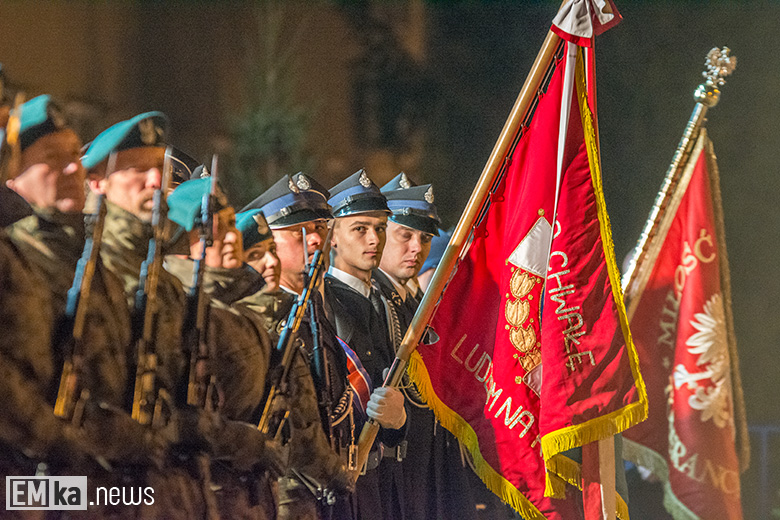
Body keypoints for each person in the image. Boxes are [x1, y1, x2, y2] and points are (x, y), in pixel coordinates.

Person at [5, 96, 164, 518]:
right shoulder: (17, 255)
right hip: (36, 479)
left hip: (106, 481)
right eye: (52, 158)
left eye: (75, 154)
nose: (74, 167)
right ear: (12, 173)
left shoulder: (98, 266)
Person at [83, 111, 220, 519]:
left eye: (158, 170)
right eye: (138, 170)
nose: (156, 182)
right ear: (97, 183)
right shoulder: (76, 265)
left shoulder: (169, 284)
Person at [239, 172, 354, 520]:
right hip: (282, 484)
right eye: (297, 234)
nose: (315, 240)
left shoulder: (317, 307)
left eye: (319, 229)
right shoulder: (257, 315)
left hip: (325, 479)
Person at [377, 172, 479, 520]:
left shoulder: (411, 305)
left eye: (423, 237)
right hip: (395, 475)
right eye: (404, 236)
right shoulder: (376, 303)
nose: (417, 248)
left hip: (430, 470)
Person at [324, 168, 408, 520]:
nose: (373, 239)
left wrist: (399, 420)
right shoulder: (325, 301)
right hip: (344, 478)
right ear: (332, 237)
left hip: (389, 475)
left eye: (379, 228)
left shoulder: (390, 300)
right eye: (360, 229)